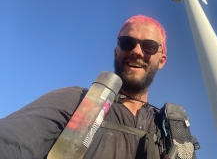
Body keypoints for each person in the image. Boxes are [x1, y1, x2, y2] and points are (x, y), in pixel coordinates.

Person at [0, 15, 168, 159]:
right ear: (116, 52)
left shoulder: (170, 130)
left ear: (161, 60)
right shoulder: (78, 102)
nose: (137, 51)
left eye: (149, 46)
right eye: (127, 43)